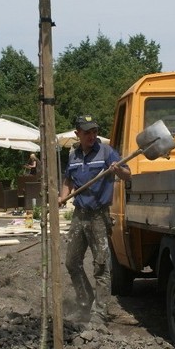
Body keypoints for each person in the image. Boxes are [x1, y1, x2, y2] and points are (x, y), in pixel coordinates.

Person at [57, 115, 131, 326]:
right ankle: (85, 303)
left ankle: (100, 312)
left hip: (99, 215)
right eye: (87, 132)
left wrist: (119, 170)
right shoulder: (74, 155)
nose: (92, 136)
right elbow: (68, 180)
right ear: (77, 133)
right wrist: (63, 196)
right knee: (72, 262)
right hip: (79, 214)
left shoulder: (107, 152)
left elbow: (128, 175)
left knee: (101, 265)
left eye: (94, 131)